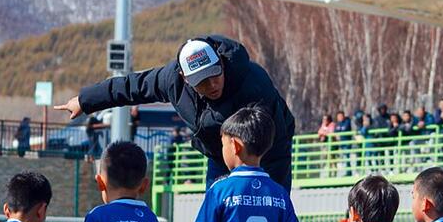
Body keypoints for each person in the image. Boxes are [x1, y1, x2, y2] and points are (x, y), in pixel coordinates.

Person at [55, 35, 296, 191]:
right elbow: (131, 87)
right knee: (217, 211)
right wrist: (85, 101)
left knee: (274, 209)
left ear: (221, 63)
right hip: (219, 152)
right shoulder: (171, 80)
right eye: (201, 82)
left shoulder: (253, 82)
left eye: (215, 75)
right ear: (185, 79)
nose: (212, 85)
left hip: (270, 149)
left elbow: (270, 134)